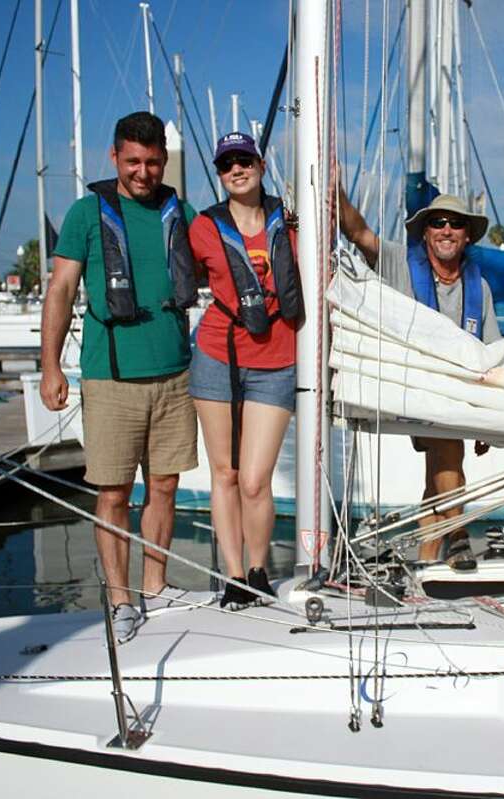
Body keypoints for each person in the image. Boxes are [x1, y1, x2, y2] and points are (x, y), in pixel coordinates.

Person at [40, 111, 200, 644]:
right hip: (110, 378)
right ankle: (121, 598)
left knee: (165, 486)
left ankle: (155, 584)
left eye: (153, 162)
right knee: (113, 494)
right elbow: (60, 291)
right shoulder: (88, 214)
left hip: (175, 375)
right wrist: (50, 366)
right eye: (133, 161)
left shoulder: (179, 211)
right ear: (115, 158)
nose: (143, 172)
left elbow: (219, 259)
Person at [337, 189, 500, 568]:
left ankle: (428, 563)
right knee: (448, 447)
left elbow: (490, 355)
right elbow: (358, 233)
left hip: (455, 398)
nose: (446, 229)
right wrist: (336, 188)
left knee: (438, 472)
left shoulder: (480, 288)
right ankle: (459, 533)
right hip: (408, 388)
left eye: (456, 223)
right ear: (425, 232)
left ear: (467, 235)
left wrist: (489, 417)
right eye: (437, 222)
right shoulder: (398, 262)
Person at [189, 132, 303, 607]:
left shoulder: (293, 223)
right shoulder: (203, 228)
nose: (236, 169)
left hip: (276, 358)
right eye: (226, 164)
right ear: (219, 173)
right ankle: (233, 576)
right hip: (217, 353)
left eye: (244, 160)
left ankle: (259, 570)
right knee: (226, 473)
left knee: (256, 479)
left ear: (260, 164)